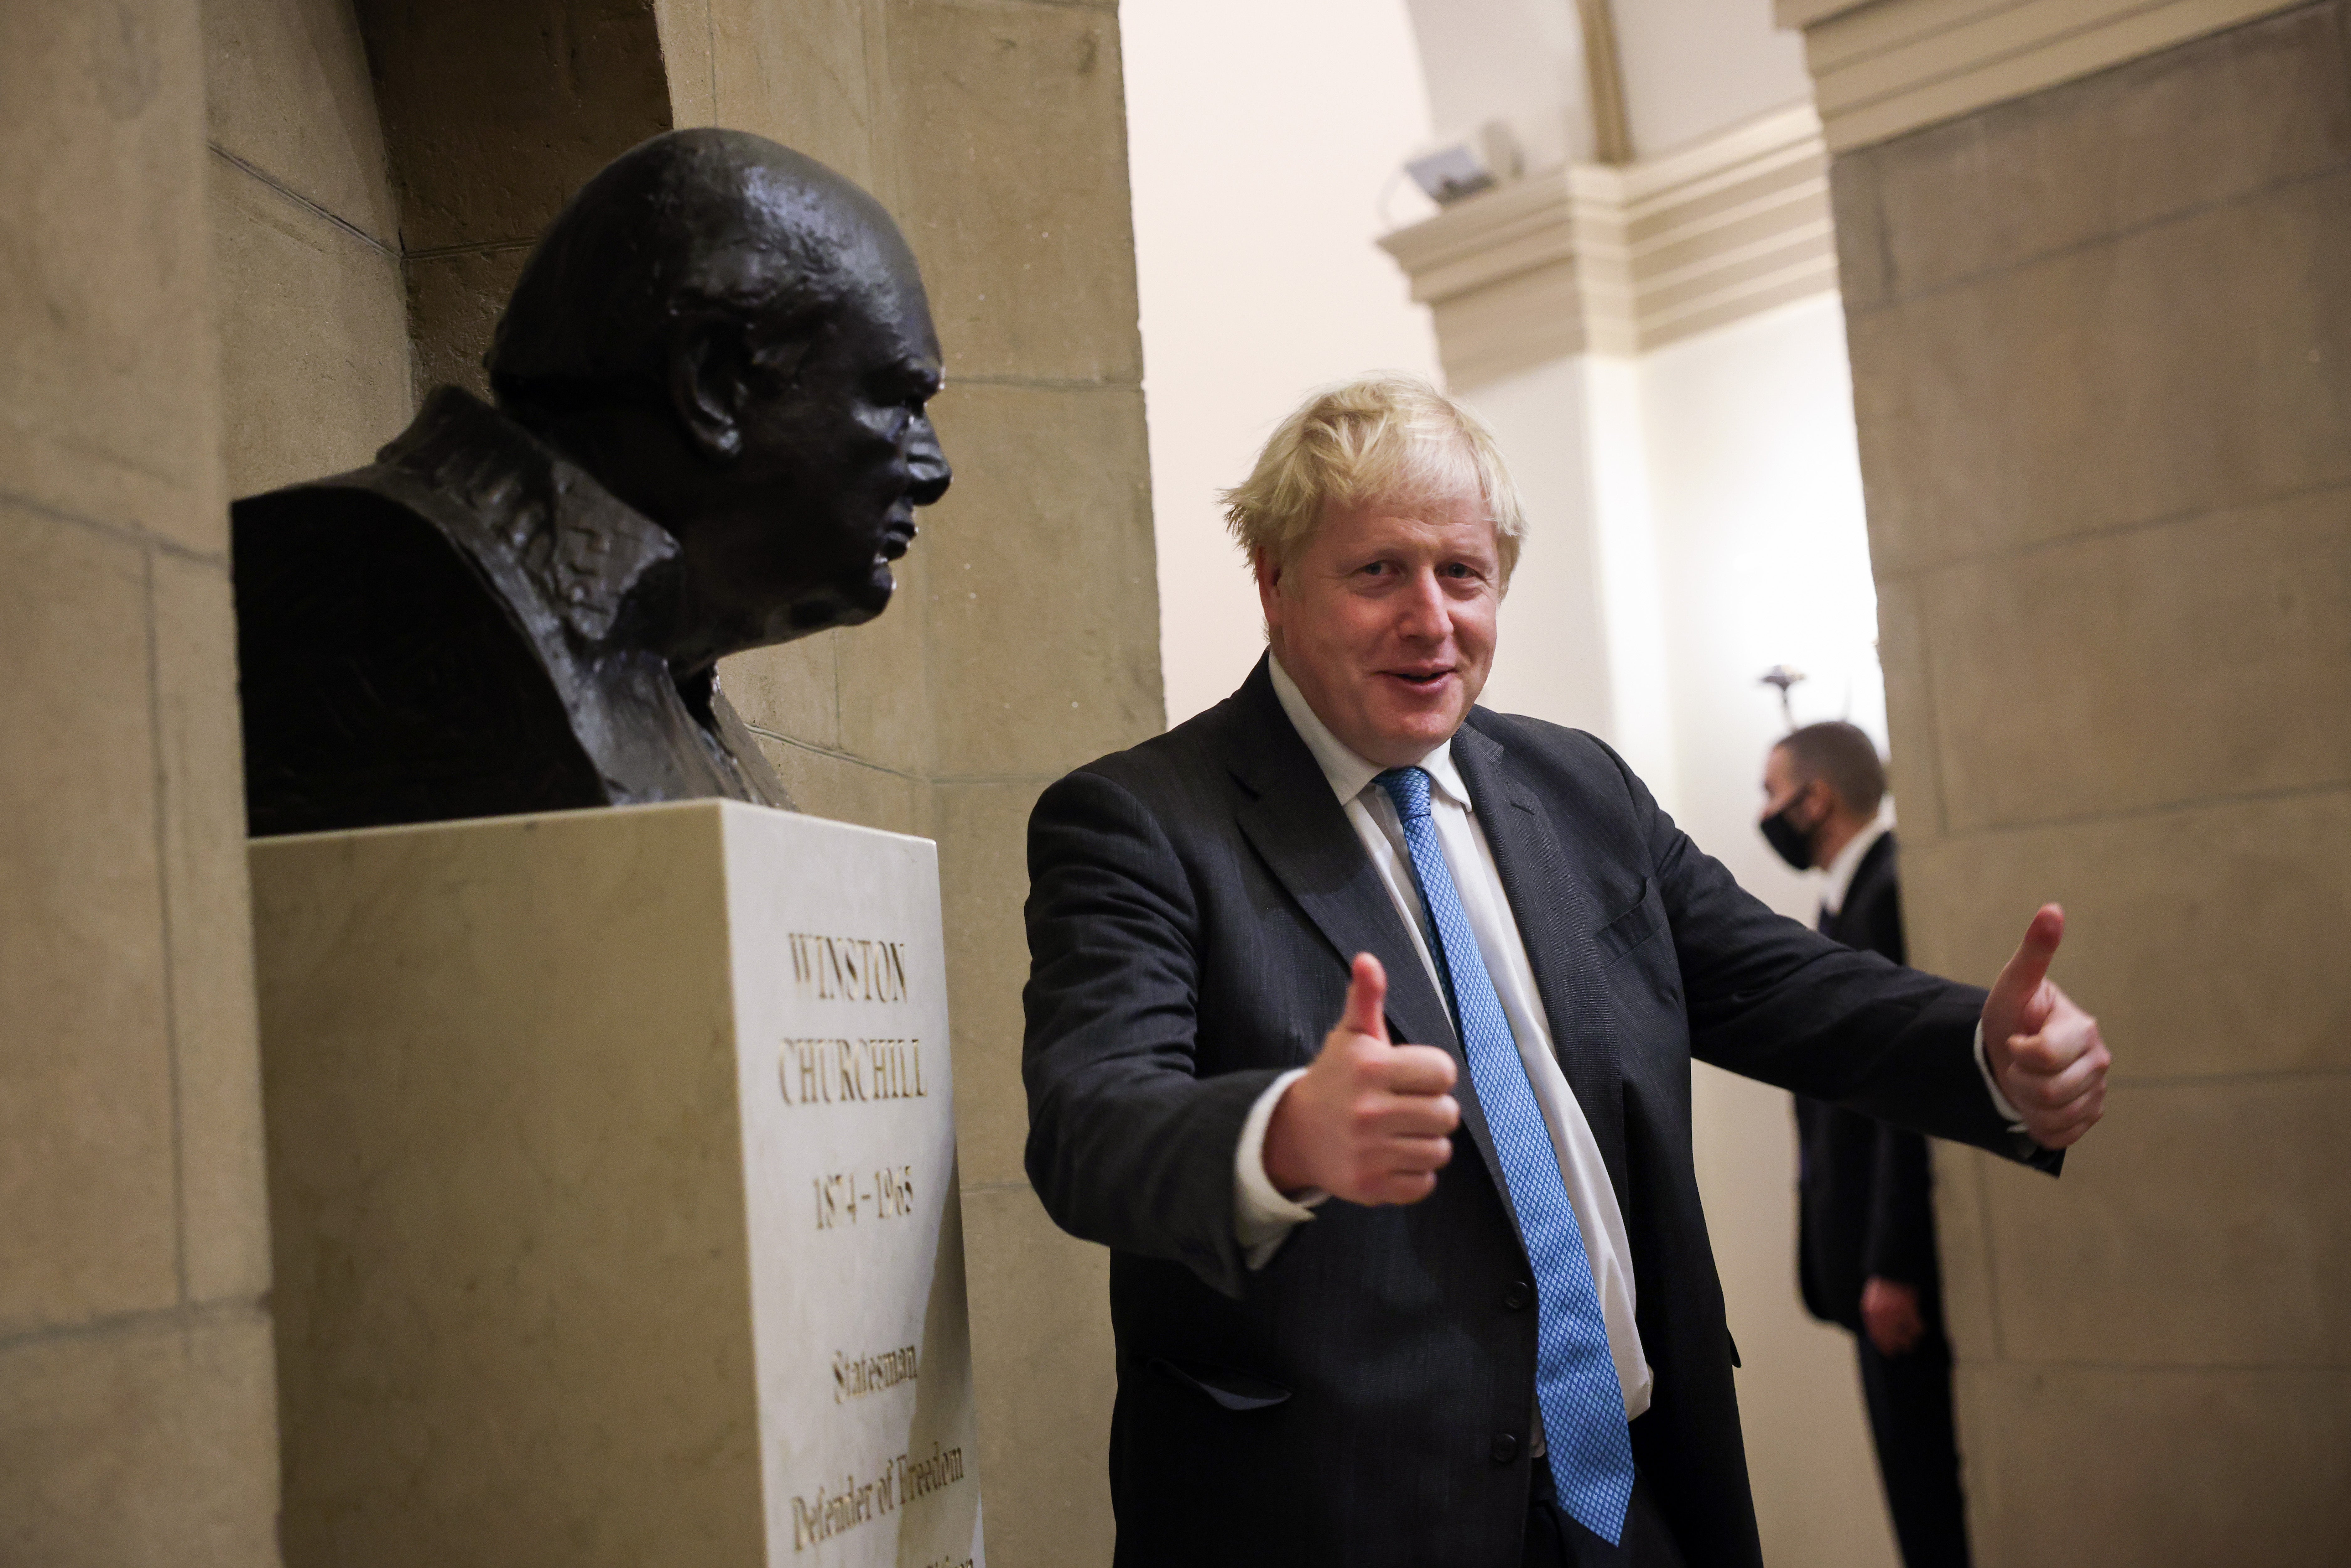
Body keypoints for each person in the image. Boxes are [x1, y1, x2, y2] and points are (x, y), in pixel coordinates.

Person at [1021, 375, 2109, 1568]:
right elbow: (1089, 1126)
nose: (1431, 618)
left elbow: (1779, 987)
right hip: (1340, 1514)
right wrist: (1282, 1132)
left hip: (1632, 1494)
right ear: (1274, 582)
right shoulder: (1139, 821)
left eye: (1462, 574)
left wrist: (1985, 1054)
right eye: (1377, 571)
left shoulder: (1579, 790)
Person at [231, 128, 951, 836]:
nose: (933, 471)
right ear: (713, 385)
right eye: (901, 403)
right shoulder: (366, 589)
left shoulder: (672, 662)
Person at [1760, 724, 1968, 1567]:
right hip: (1861, 1266)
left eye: (1771, 791)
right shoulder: (1841, 900)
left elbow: (1902, 1096)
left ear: (1816, 797)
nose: (1765, 812)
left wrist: (1892, 1260)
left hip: (1896, 1277)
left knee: (1934, 1507)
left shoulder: (1885, 890)